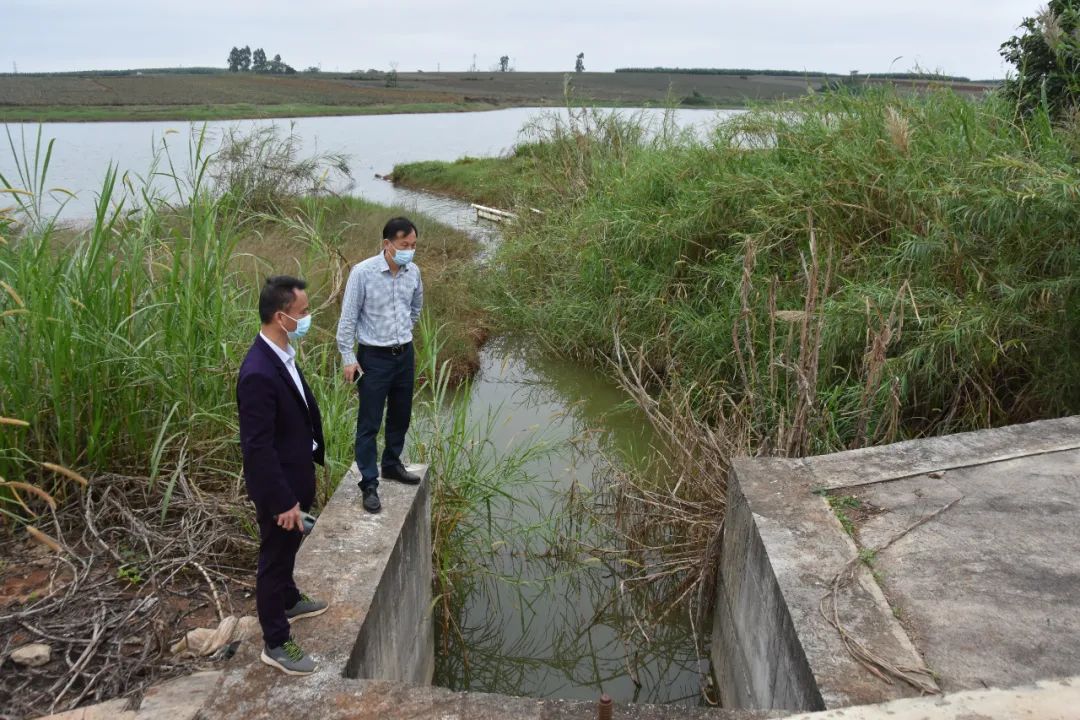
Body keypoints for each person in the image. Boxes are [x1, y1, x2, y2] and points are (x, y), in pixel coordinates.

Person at [237, 276, 329, 676]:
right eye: (303, 312)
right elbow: (257, 448)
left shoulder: (282, 353)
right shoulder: (257, 371)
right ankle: (276, 641)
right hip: (280, 488)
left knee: (288, 549)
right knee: (273, 560)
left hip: (296, 474)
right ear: (281, 316)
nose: (307, 318)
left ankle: (290, 599)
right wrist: (282, 502)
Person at [336, 217, 424, 514]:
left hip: (404, 354)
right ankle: (369, 483)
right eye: (404, 245)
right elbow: (348, 318)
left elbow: (416, 308)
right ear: (387, 244)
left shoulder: (414, 272)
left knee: (401, 414)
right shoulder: (363, 273)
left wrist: (401, 335)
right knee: (370, 422)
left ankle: (391, 464)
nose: (409, 250)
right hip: (373, 357)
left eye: (413, 245)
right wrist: (348, 357)